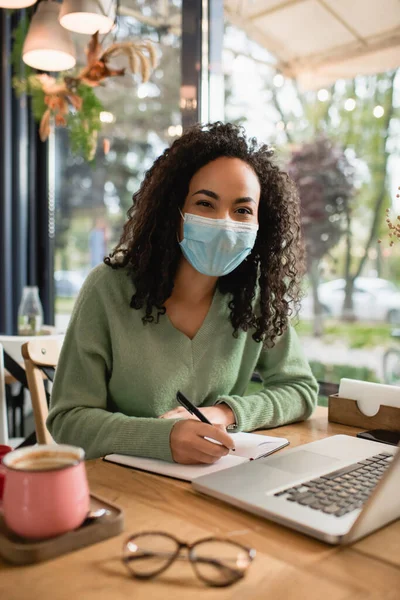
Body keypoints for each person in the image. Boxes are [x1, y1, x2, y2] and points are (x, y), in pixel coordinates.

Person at [47, 122, 318, 464]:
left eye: (243, 210)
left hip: (216, 479)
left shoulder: (255, 296)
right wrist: (164, 438)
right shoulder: (107, 289)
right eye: (206, 204)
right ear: (173, 211)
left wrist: (224, 413)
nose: (225, 223)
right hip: (125, 486)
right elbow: (67, 420)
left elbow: (300, 389)